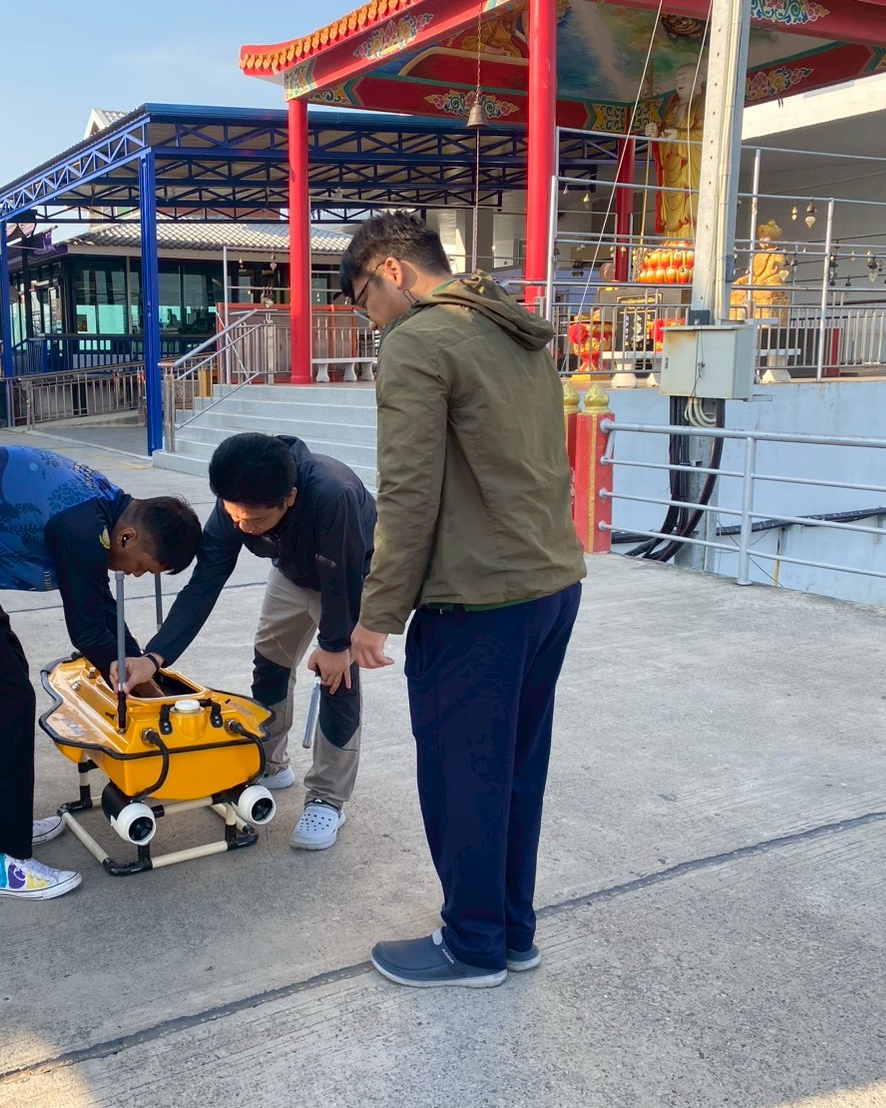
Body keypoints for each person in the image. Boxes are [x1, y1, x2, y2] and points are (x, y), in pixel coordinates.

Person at [340, 212, 586, 988]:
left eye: (362, 298)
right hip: (550, 582)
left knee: (462, 778)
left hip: (477, 599)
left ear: (391, 270)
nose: (367, 318)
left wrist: (378, 613)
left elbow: (407, 490)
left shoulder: (418, 340)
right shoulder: (513, 330)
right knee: (513, 772)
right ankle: (511, 932)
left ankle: (473, 945)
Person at [0, 445, 200, 901]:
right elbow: (88, 630)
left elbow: (100, 605)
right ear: (127, 538)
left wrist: (142, 667)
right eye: (143, 567)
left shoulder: (105, 511)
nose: (138, 576)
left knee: (6, 684)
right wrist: (141, 688)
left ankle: (7, 823)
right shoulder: (82, 527)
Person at [114, 432, 376, 851]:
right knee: (270, 663)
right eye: (234, 515)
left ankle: (328, 798)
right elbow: (205, 582)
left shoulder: (334, 494)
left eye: (253, 521)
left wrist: (335, 644)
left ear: (290, 498)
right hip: (292, 573)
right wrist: (155, 656)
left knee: (336, 680)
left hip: (348, 576)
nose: (242, 526)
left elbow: (340, 576)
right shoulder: (235, 503)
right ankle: (268, 762)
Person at [645, 62, 706, 238]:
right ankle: (672, 239)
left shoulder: (703, 103)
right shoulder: (672, 107)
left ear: (698, 79)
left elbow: (708, 135)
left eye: (684, 78)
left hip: (690, 168)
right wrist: (656, 134)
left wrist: (679, 135)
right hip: (672, 167)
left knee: (690, 205)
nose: (679, 82)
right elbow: (665, 138)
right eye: (677, 79)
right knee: (671, 207)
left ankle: (692, 239)